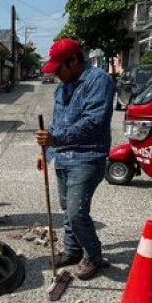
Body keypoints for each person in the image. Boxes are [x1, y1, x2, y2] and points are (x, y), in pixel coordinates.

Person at [35, 38, 115, 280]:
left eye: (59, 68)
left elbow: (94, 122)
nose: (57, 74)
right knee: (67, 208)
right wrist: (47, 152)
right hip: (63, 157)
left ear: (74, 60)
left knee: (77, 211)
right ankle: (72, 250)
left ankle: (93, 256)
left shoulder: (98, 81)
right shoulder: (63, 88)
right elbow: (57, 123)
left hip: (88, 156)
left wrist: (55, 138)